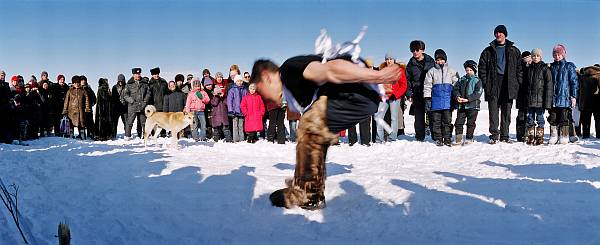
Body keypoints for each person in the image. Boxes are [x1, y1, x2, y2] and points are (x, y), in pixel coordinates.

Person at [252, 53, 401, 209]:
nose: (265, 98)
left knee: (310, 124)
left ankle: (308, 194)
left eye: (262, 92)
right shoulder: (289, 87)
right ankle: (306, 186)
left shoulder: (290, 70)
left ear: (266, 77)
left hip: (354, 95)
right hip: (359, 97)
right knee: (312, 132)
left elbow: (331, 69)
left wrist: (377, 76)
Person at [478, 25, 523, 144]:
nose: (498, 34)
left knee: (506, 111)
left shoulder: (514, 50)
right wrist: (486, 82)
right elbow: (482, 68)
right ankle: (494, 135)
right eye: (496, 33)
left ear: (505, 35)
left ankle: (505, 135)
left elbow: (520, 69)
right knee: (493, 110)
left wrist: (517, 83)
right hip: (493, 82)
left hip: (508, 83)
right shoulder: (488, 51)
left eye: (501, 33)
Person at [424, 49, 459, 146]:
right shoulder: (431, 71)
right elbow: (427, 85)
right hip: (436, 102)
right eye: (438, 60)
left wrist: (455, 97)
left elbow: (456, 85)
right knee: (436, 122)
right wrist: (427, 98)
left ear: (445, 60)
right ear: (435, 60)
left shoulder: (452, 71)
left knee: (447, 121)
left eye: (442, 59)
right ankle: (438, 138)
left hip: (448, 102)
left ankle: (447, 138)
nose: (440, 61)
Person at [405, 40, 435, 141]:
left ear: (422, 50)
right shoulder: (410, 64)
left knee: (432, 115)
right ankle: (419, 137)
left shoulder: (431, 62)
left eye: (417, 50)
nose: (415, 52)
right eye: (412, 50)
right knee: (418, 117)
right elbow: (407, 80)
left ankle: (435, 137)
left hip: (430, 93)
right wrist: (409, 94)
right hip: (416, 93)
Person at [549, 44, 579, 144]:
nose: (557, 56)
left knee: (564, 117)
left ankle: (564, 135)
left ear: (563, 55)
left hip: (565, 97)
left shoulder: (569, 66)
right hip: (553, 98)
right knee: (553, 118)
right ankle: (553, 135)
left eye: (559, 54)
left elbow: (574, 82)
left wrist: (573, 96)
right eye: (555, 54)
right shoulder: (551, 67)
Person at [524, 49, 553, 145]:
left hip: (540, 100)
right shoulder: (529, 68)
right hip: (530, 99)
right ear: (531, 57)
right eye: (533, 56)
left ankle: (539, 137)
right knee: (530, 118)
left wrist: (547, 102)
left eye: (537, 56)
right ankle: (530, 136)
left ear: (541, 57)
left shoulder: (545, 69)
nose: (535, 57)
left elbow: (549, 86)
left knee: (540, 118)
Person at [453, 60, 483, 145]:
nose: (468, 72)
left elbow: (478, 93)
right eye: (467, 70)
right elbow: (456, 89)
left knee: (470, 123)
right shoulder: (462, 80)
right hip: (462, 105)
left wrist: (468, 99)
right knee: (458, 122)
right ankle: (458, 139)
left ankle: (469, 138)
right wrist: (458, 97)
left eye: (470, 70)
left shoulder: (478, 81)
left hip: (473, 105)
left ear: (474, 70)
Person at [122, 68, 151, 139]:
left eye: (139, 74)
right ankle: (127, 136)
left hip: (142, 106)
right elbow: (125, 95)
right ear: (133, 75)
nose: (137, 75)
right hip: (132, 106)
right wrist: (131, 101)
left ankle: (146, 136)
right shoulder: (129, 84)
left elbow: (148, 93)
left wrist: (145, 101)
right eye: (136, 74)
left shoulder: (144, 83)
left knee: (144, 123)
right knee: (129, 122)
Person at [578, 65, 600, 139]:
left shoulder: (583, 76)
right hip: (597, 102)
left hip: (585, 101)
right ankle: (599, 135)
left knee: (586, 120)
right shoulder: (599, 76)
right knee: (598, 120)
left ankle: (586, 134)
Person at [516, 51, 532, 142]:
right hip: (521, 95)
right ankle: (520, 135)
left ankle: (528, 134)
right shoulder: (520, 67)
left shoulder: (533, 66)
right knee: (521, 116)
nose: (527, 59)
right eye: (525, 58)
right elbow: (519, 78)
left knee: (530, 116)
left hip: (530, 96)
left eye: (528, 57)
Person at [227, 74, 248, 142]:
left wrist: (246, 109)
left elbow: (246, 100)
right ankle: (236, 139)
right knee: (235, 126)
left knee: (241, 125)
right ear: (235, 82)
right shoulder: (232, 90)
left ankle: (241, 138)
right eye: (238, 81)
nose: (239, 82)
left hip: (242, 111)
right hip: (234, 111)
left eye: (241, 81)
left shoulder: (245, 90)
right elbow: (229, 100)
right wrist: (230, 110)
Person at [112, 74, 127, 138]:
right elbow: (113, 97)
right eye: (119, 81)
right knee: (115, 122)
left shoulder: (127, 87)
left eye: (122, 81)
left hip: (124, 107)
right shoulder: (114, 87)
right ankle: (113, 134)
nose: (120, 82)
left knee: (126, 122)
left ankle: (127, 135)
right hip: (116, 107)